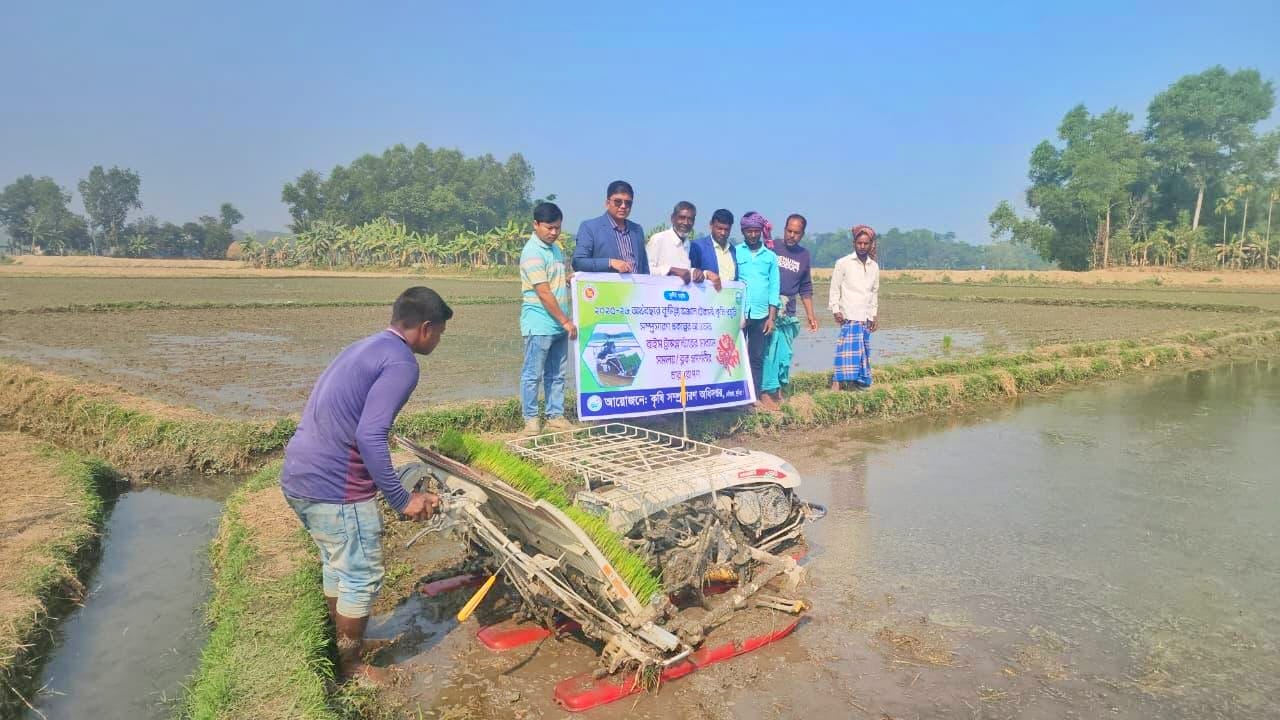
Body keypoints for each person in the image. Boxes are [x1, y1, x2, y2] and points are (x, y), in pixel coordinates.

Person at [281, 286, 452, 685]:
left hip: (299, 475)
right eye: (440, 332)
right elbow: (371, 435)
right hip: (335, 487)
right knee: (361, 574)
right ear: (425, 328)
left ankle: (340, 640)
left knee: (337, 563)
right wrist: (401, 498)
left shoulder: (368, 346)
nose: (439, 340)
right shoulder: (401, 363)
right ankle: (350, 666)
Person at [519, 202, 577, 434]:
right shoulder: (531, 252)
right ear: (536, 225)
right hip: (540, 324)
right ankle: (531, 420)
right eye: (549, 227)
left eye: (557, 228)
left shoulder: (555, 249)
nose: (553, 232)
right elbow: (543, 292)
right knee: (533, 374)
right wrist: (565, 320)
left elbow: (552, 281)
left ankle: (555, 416)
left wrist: (568, 278)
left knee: (557, 374)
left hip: (558, 325)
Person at [761, 213, 817, 403]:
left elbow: (805, 287)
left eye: (796, 233)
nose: (791, 235)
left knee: (784, 354)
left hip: (788, 312)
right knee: (769, 351)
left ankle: (777, 389)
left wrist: (811, 315)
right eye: (789, 231)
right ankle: (766, 392)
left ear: (802, 234)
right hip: (769, 309)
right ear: (784, 229)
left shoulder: (804, 255)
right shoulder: (772, 246)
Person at [734, 211, 781, 409]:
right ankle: (736, 397)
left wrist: (772, 317)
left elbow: (774, 288)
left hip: (762, 314)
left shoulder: (770, 257)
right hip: (739, 313)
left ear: (761, 232)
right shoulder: (735, 252)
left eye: (756, 231)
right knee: (735, 355)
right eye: (748, 231)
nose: (752, 235)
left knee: (756, 356)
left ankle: (754, 396)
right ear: (743, 232)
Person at [829, 225, 879, 390]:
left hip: (864, 316)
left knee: (861, 353)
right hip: (848, 313)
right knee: (844, 351)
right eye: (859, 243)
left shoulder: (874, 266)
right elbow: (835, 288)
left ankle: (854, 383)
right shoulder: (843, 263)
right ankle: (836, 383)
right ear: (854, 243)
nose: (862, 247)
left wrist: (873, 315)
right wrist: (836, 309)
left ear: (871, 244)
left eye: (866, 243)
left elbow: (873, 292)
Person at [572, 180, 649, 274]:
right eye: (618, 202)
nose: (623, 206)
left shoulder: (637, 230)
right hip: (606, 287)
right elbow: (578, 262)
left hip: (635, 287)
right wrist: (610, 262)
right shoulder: (590, 227)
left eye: (628, 203)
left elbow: (644, 268)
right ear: (607, 203)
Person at [646, 201, 702, 283]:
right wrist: (670, 270)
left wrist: (695, 272)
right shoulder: (658, 239)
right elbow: (645, 270)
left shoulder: (690, 245)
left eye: (690, 219)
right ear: (672, 218)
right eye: (682, 218)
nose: (686, 223)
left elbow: (685, 272)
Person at [689, 208, 737, 291]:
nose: (723, 233)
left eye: (726, 229)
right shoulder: (697, 246)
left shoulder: (733, 250)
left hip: (729, 301)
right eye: (719, 228)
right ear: (711, 225)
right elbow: (687, 271)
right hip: (705, 300)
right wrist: (705, 274)